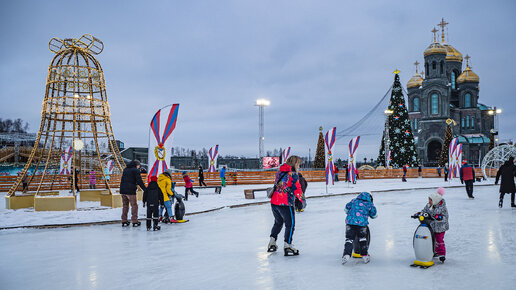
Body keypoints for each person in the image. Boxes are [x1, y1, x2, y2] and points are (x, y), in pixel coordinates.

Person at [267, 155, 304, 256]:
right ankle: (288, 245)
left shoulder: (279, 172)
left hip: (274, 202)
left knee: (278, 223)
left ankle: (272, 242)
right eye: (299, 164)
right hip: (285, 203)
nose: (299, 166)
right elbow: (297, 188)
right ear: (295, 164)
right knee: (290, 224)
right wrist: (302, 200)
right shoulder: (293, 175)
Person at [341, 192, 377, 264]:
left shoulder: (354, 200)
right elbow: (374, 214)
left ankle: (346, 254)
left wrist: (350, 213)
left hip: (350, 223)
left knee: (349, 239)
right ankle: (365, 255)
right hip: (362, 224)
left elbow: (346, 208)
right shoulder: (369, 204)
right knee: (362, 238)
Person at [418, 187, 449, 262]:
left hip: (440, 227)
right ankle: (434, 251)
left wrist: (439, 217)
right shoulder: (428, 206)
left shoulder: (441, 207)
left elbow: (445, 217)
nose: (429, 201)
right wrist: (419, 214)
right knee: (432, 239)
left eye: (430, 200)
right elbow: (424, 211)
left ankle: (441, 254)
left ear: (435, 200)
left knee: (439, 240)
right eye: (429, 200)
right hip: (432, 226)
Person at [119, 160, 147, 227]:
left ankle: (124, 220)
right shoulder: (136, 170)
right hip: (130, 191)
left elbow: (127, 179)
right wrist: (145, 189)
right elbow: (139, 181)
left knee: (125, 205)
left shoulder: (125, 169)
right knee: (134, 205)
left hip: (123, 190)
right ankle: (134, 221)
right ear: (137, 165)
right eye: (139, 166)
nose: (139, 167)